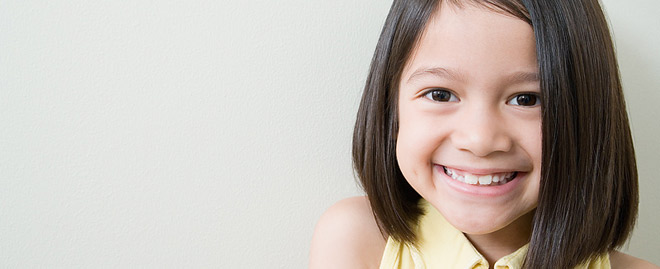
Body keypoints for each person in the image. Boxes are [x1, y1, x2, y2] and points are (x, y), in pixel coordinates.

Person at [309, 0, 659, 268]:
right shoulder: (356, 239)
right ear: (390, 106)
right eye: (440, 94)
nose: (479, 140)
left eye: (527, 99)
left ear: (587, 116)